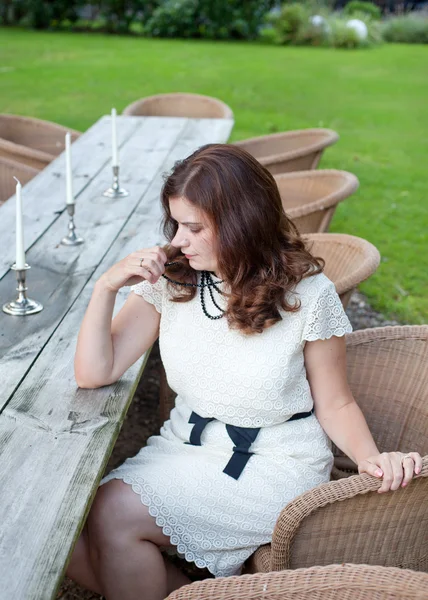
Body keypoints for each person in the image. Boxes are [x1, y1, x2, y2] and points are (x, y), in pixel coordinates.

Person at [66, 144, 422, 600]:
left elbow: (336, 401)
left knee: (112, 514)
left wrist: (371, 458)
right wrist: (105, 286)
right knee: (70, 524)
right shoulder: (175, 281)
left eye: (194, 228)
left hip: (271, 463)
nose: (177, 241)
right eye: (175, 224)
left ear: (240, 224)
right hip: (185, 445)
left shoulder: (308, 296)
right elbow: (94, 372)